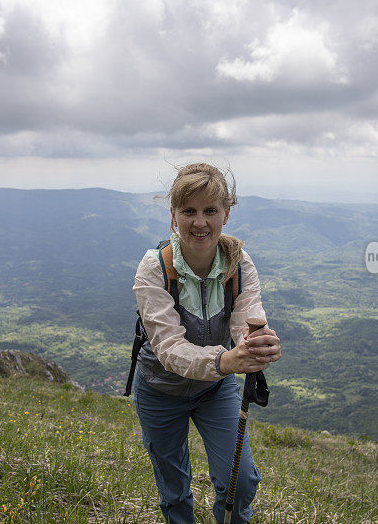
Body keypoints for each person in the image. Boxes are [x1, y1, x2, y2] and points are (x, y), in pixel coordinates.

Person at [132, 163, 281, 523]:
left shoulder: (240, 265)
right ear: (174, 215)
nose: (200, 222)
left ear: (226, 213)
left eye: (210, 211)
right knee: (173, 491)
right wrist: (227, 362)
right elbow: (168, 349)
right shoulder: (154, 269)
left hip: (214, 390)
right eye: (189, 211)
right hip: (159, 390)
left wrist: (258, 344)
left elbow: (248, 318)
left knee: (240, 481)